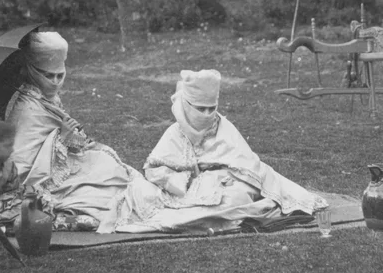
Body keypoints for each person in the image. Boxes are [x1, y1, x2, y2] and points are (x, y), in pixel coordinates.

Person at [112, 69, 327, 234]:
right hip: (185, 189)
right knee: (144, 194)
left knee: (239, 197)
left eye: (211, 109)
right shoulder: (174, 132)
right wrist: (180, 179)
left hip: (225, 184)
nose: (207, 115)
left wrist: (224, 177)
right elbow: (155, 169)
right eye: (200, 109)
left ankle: (214, 217)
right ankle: (205, 218)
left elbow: (247, 164)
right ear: (187, 105)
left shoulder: (224, 127)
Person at [3, 30, 141, 232]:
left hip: (63, 164)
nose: (56, 82)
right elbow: (26, 165)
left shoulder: (46, 99)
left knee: (109, 165)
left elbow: (56, 133)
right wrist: (64, 137)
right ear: (33, 71)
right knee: (105, 186)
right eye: (49, 75)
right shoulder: (27, 109)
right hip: (41, 182)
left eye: (60, 75)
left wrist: (71, 135)